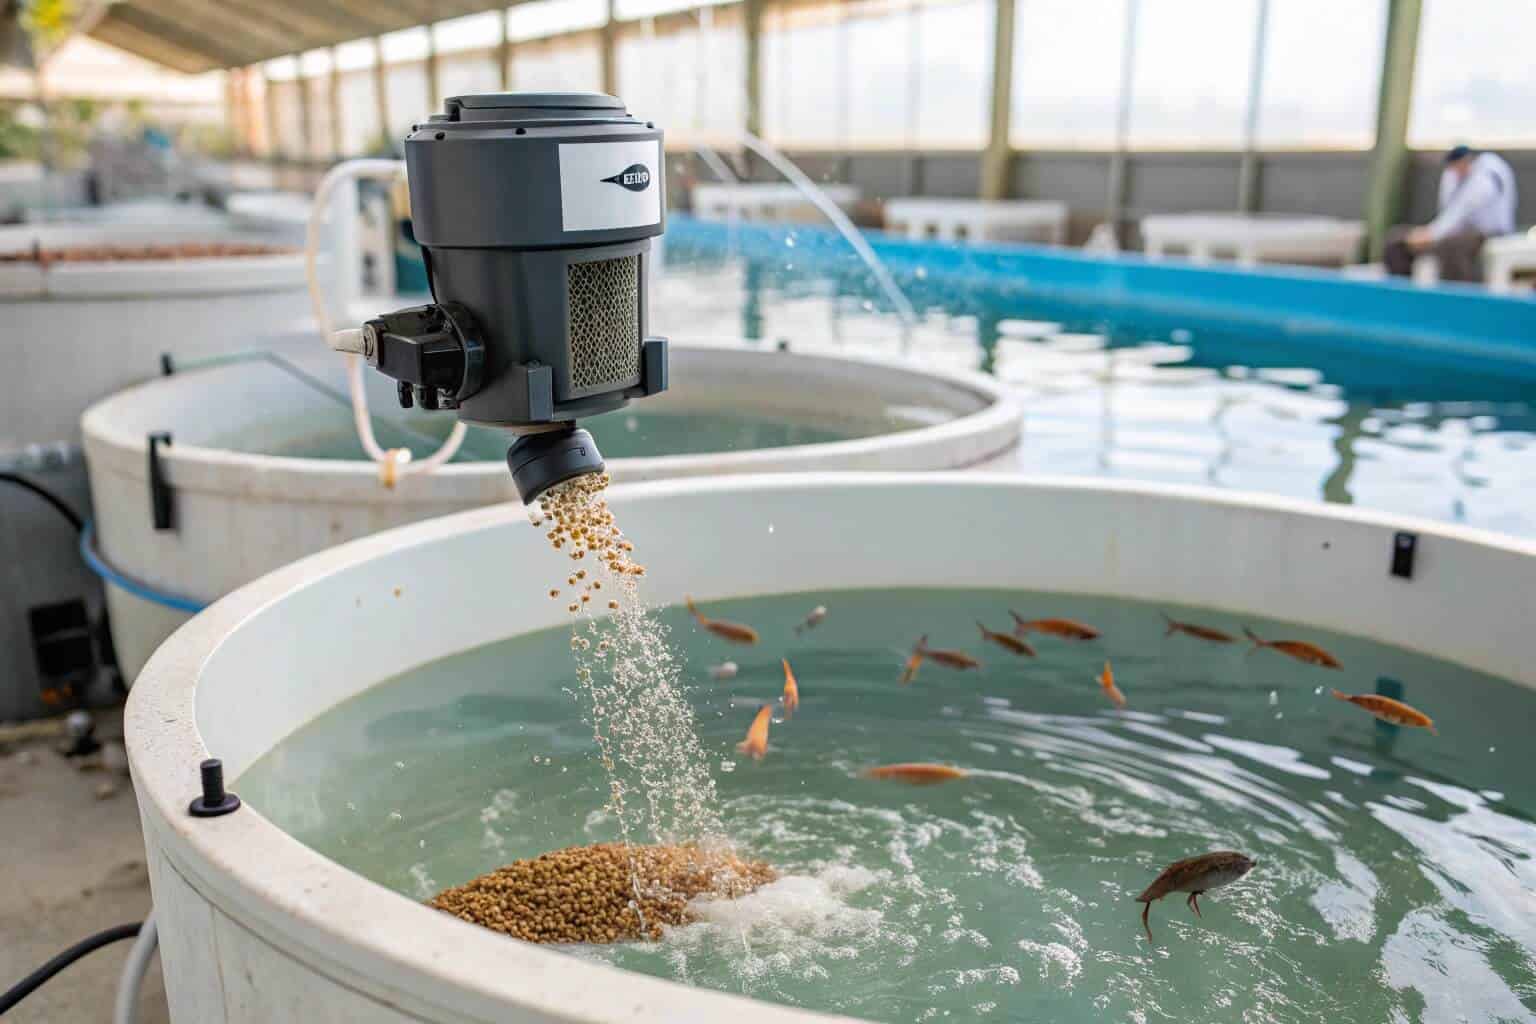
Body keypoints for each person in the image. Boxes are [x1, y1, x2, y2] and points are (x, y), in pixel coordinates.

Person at [1385, 145, 1518, 282]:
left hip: (1489, 232)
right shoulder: (1451, 176)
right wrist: (1425, 233)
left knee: (1450, 246)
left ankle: (1460, 293)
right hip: (1453, 230)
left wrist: (1431, 234)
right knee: (1397, 241)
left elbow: (1461, 211)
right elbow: (1447, 213)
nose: (1455, 171)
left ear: (1467, 160)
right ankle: (1401, 290)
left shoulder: (1486, 177)